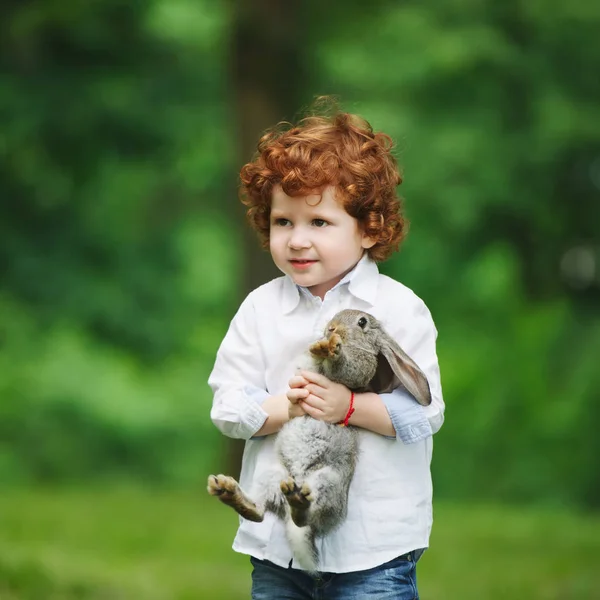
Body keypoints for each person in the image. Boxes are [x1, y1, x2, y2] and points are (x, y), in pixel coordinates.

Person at [208, 101, 445, 600]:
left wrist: (350, 408)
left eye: (319, 222)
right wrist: (284, 406)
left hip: (374, 548)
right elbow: (227, 406)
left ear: (368, 227)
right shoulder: (260, 309)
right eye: (282, 222)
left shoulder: (399, 309)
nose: (297, 240)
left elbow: (426, 412)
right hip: (278, 550)